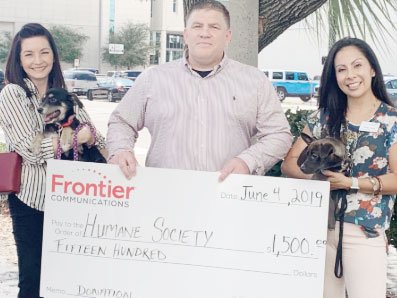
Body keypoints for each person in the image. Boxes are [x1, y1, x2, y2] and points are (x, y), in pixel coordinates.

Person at [107, 0, 292, 181]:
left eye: (214, 27)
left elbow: (279, 135)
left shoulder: (255, 81)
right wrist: (121, 150)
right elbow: (121, 122)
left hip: (228, 196)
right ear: (186, 35)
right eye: (197, 26)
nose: (205, 33)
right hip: (164, 194)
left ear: (228, 36)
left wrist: (248, 161)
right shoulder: (153, 79)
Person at [281, 37, 397, 298]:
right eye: (341, 69)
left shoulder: (390, 120)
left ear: (373, 69)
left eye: (357, 66)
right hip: (318, 228)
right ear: (334, 76)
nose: (350, 75)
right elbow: (290, 164)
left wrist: (352, 183)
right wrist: (319, 175)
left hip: (364, 231)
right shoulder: (324, 117)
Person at [0, 23, 106, 298]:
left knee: (66, 281)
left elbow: (96, 136)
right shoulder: (12, 94)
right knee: (33, 281)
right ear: (19, 59)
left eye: (44, 52)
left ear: (54, 55)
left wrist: (94, 139)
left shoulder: (62, 92)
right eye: (29, 54)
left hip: (71, 199)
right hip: (32, 200)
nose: (38, 61)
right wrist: (74, 138)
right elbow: (30, 149)